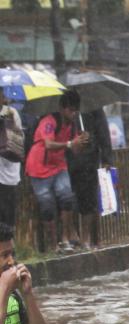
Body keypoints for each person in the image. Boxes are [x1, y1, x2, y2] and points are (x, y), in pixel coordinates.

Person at [26, 89, 89, 253]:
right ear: (62, 108)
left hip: (59, 166)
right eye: (70, 110)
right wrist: (69, 144)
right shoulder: (49, 121)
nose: (73, 113)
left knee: (67, 197)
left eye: (76, 110)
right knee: (47, 206)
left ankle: (65, 238)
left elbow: (75, 150)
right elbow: (48, 144)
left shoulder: (73, 125)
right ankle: (53, 245)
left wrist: (82, 143)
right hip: (39, 167)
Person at [66, 107, 114, 249]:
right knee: (68, 198)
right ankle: (71, 234)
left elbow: (103, 132)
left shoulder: (93, 106)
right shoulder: (62, 105)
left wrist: (107, 159)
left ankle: (86, 237)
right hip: (68, 158)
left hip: (89, 159)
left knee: (88, 199)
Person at [0, 92, 20, 230]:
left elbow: (17, 141)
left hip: (9, 173)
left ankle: (8, 249)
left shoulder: (12, 113)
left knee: (8, 215)